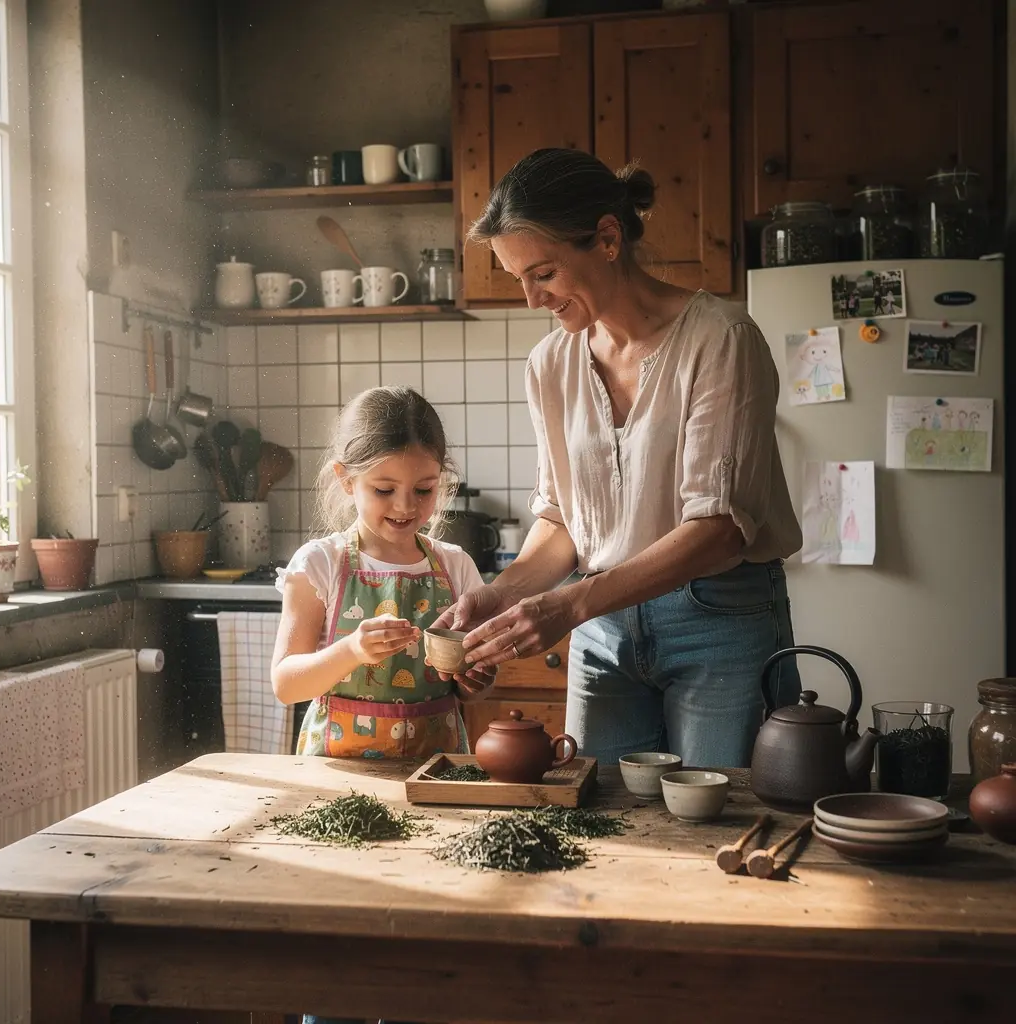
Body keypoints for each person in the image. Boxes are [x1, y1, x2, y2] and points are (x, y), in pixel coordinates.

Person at [434, 148, 803, 770]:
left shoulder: (721, 339)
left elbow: (719, 528)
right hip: (602, 630)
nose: (532, 299)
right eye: (519, 277)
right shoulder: (550, 363)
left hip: (716, 618)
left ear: (607, 238)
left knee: (717, 813)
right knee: (597, 811)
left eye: (543, 273)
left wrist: (571, 604)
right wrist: (498, 596)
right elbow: (562, 522)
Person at [272, 387, 493, 1024]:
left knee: (425, 947)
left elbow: (476, 683)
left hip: (435, 782)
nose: (405, 507)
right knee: (339, 950)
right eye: (383, 489)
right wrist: (350, 649)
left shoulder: (455, 566)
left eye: (423, 490)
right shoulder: (320, 564)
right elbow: (286, 683)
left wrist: (474, 676)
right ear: (346, 480)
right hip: (338, 785)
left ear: (443, 483)